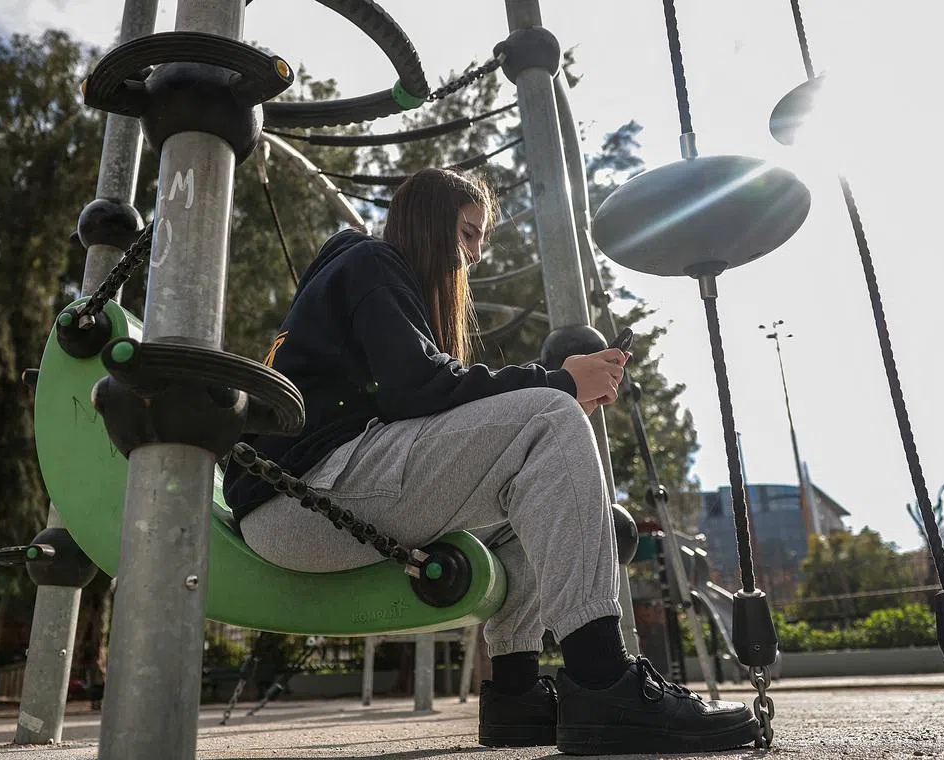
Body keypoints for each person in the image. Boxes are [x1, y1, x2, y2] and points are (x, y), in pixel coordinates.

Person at [222, 167, 758, 755]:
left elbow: (414, 398)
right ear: (430, 222)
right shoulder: (372, 263)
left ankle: (516, 692)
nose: (476, 254)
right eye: (468, 233)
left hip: (315, 495)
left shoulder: (367, 278)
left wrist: (557, 390)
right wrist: (559, 382)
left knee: (533, 494)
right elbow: (419, 388)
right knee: (550, 417)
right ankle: (604, 678)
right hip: (301, 500)